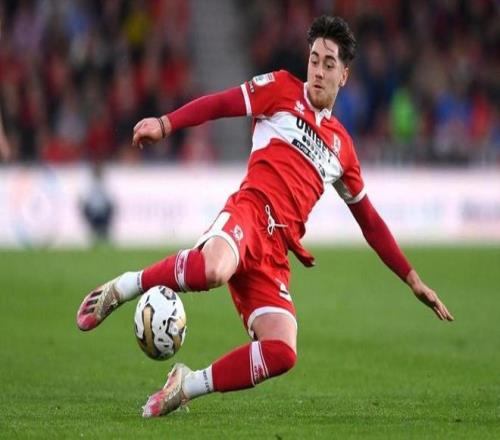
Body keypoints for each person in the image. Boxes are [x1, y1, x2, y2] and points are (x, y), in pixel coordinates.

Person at [76, 16, 454, 418]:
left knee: (283, 350)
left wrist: (413, 279)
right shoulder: (280, 89)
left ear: (344, 75)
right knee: (213, 270)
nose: (318, 71)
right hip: (250, 212)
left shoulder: (342, 148)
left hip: (275, 251)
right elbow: (221, 103)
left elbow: (371, 222)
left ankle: (186, 385)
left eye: (329, 64)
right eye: (314, 60)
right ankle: (125, 286)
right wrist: (166, 124)